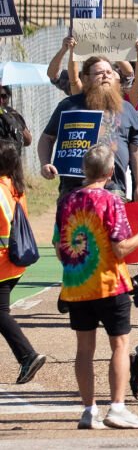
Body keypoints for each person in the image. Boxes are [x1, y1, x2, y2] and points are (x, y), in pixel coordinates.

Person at [55, 144, 138, 427]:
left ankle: (89, 410)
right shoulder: (111, 201)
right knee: (120, 345)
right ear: (111, 172)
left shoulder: (67, 200)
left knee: (84, 348)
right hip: (110, 282)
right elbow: (121, 248)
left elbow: (59, 245)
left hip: (77, 283)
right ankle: (117, 407)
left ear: (85, 170)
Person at [39, 55, 138, 200]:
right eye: (98, 73)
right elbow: (47, 138)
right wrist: (45, 163)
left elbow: (137, 148)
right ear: (86, 79)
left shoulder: (126, 108)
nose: (105, 76)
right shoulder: (69, 106)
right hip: (73, 191)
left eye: (109, 72)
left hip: (113, 190)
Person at [0, 141, 47, 385]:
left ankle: (28, 355)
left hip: (3, 263)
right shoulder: (14, 185)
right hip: (12, 263)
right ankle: (27, 356)